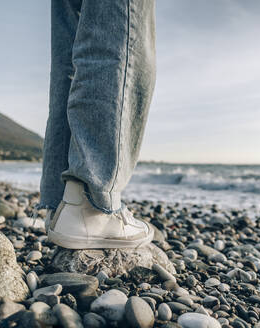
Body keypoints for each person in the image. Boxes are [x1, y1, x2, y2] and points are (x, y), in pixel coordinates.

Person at [37, 0, 156, 249]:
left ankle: (62, 204)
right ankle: (93, 205)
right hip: (92, 201)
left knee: (71, 43)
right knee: (123, 22)